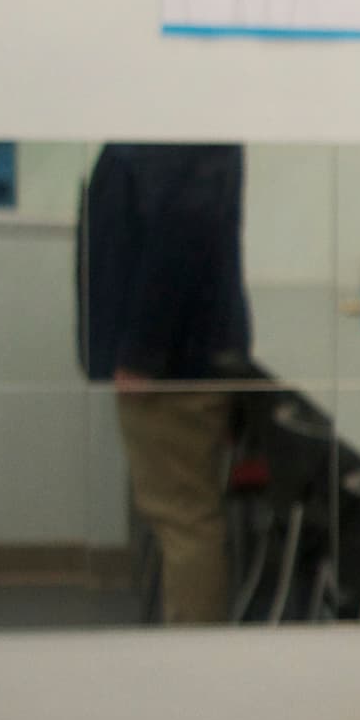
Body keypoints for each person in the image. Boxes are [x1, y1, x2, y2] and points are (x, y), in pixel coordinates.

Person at [75, 141, 251, 623]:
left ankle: (193, 666)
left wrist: (141, 352)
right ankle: (186, 653)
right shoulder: (178, 129)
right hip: (176, 358)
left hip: (172, 366)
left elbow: (179, 240)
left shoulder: (177, 134)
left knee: (184, 521)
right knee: (179, 517)